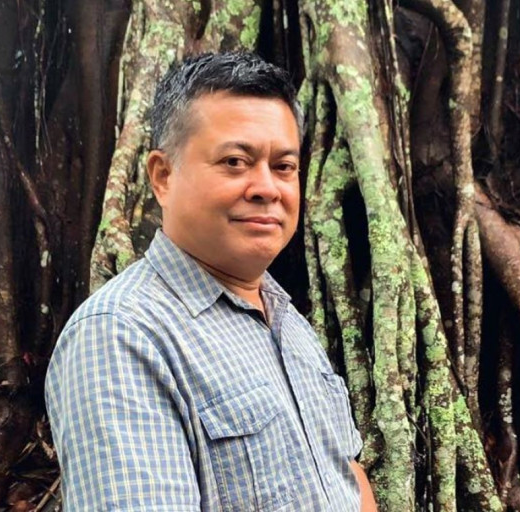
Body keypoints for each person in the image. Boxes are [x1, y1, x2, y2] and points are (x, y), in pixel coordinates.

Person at [45, 51, 377, 511]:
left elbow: (345, 477)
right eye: (235, 161)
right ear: (163, 176)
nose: (267, 188)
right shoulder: (121, 336)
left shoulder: (289, 322)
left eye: (283, 166)